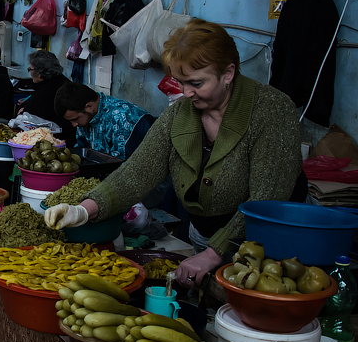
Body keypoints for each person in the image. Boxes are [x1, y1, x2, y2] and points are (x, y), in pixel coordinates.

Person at [44, 19, 304, 288]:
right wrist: (84, 210)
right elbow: (138, 172)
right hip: (203, 235)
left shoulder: (271, 112)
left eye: (197, 83)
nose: (186, 92)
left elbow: (265, 201)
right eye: (180, 82)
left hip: (263, 251)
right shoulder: (180, 115)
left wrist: (213, 254)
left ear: (228, 73)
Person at [54, 81, 155, 160]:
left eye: (75, 119)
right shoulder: (87, 116)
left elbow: (122, 165)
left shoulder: (122, 118)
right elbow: (82, 150)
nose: (74, 125)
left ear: (89, 106)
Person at [17, 50, 73, 145]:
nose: (30, 73)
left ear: (39, 71)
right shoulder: (61, 81)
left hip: (58, 141)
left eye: (30, 69)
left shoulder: (49, 89)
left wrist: (22, 110)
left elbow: (28, 114)